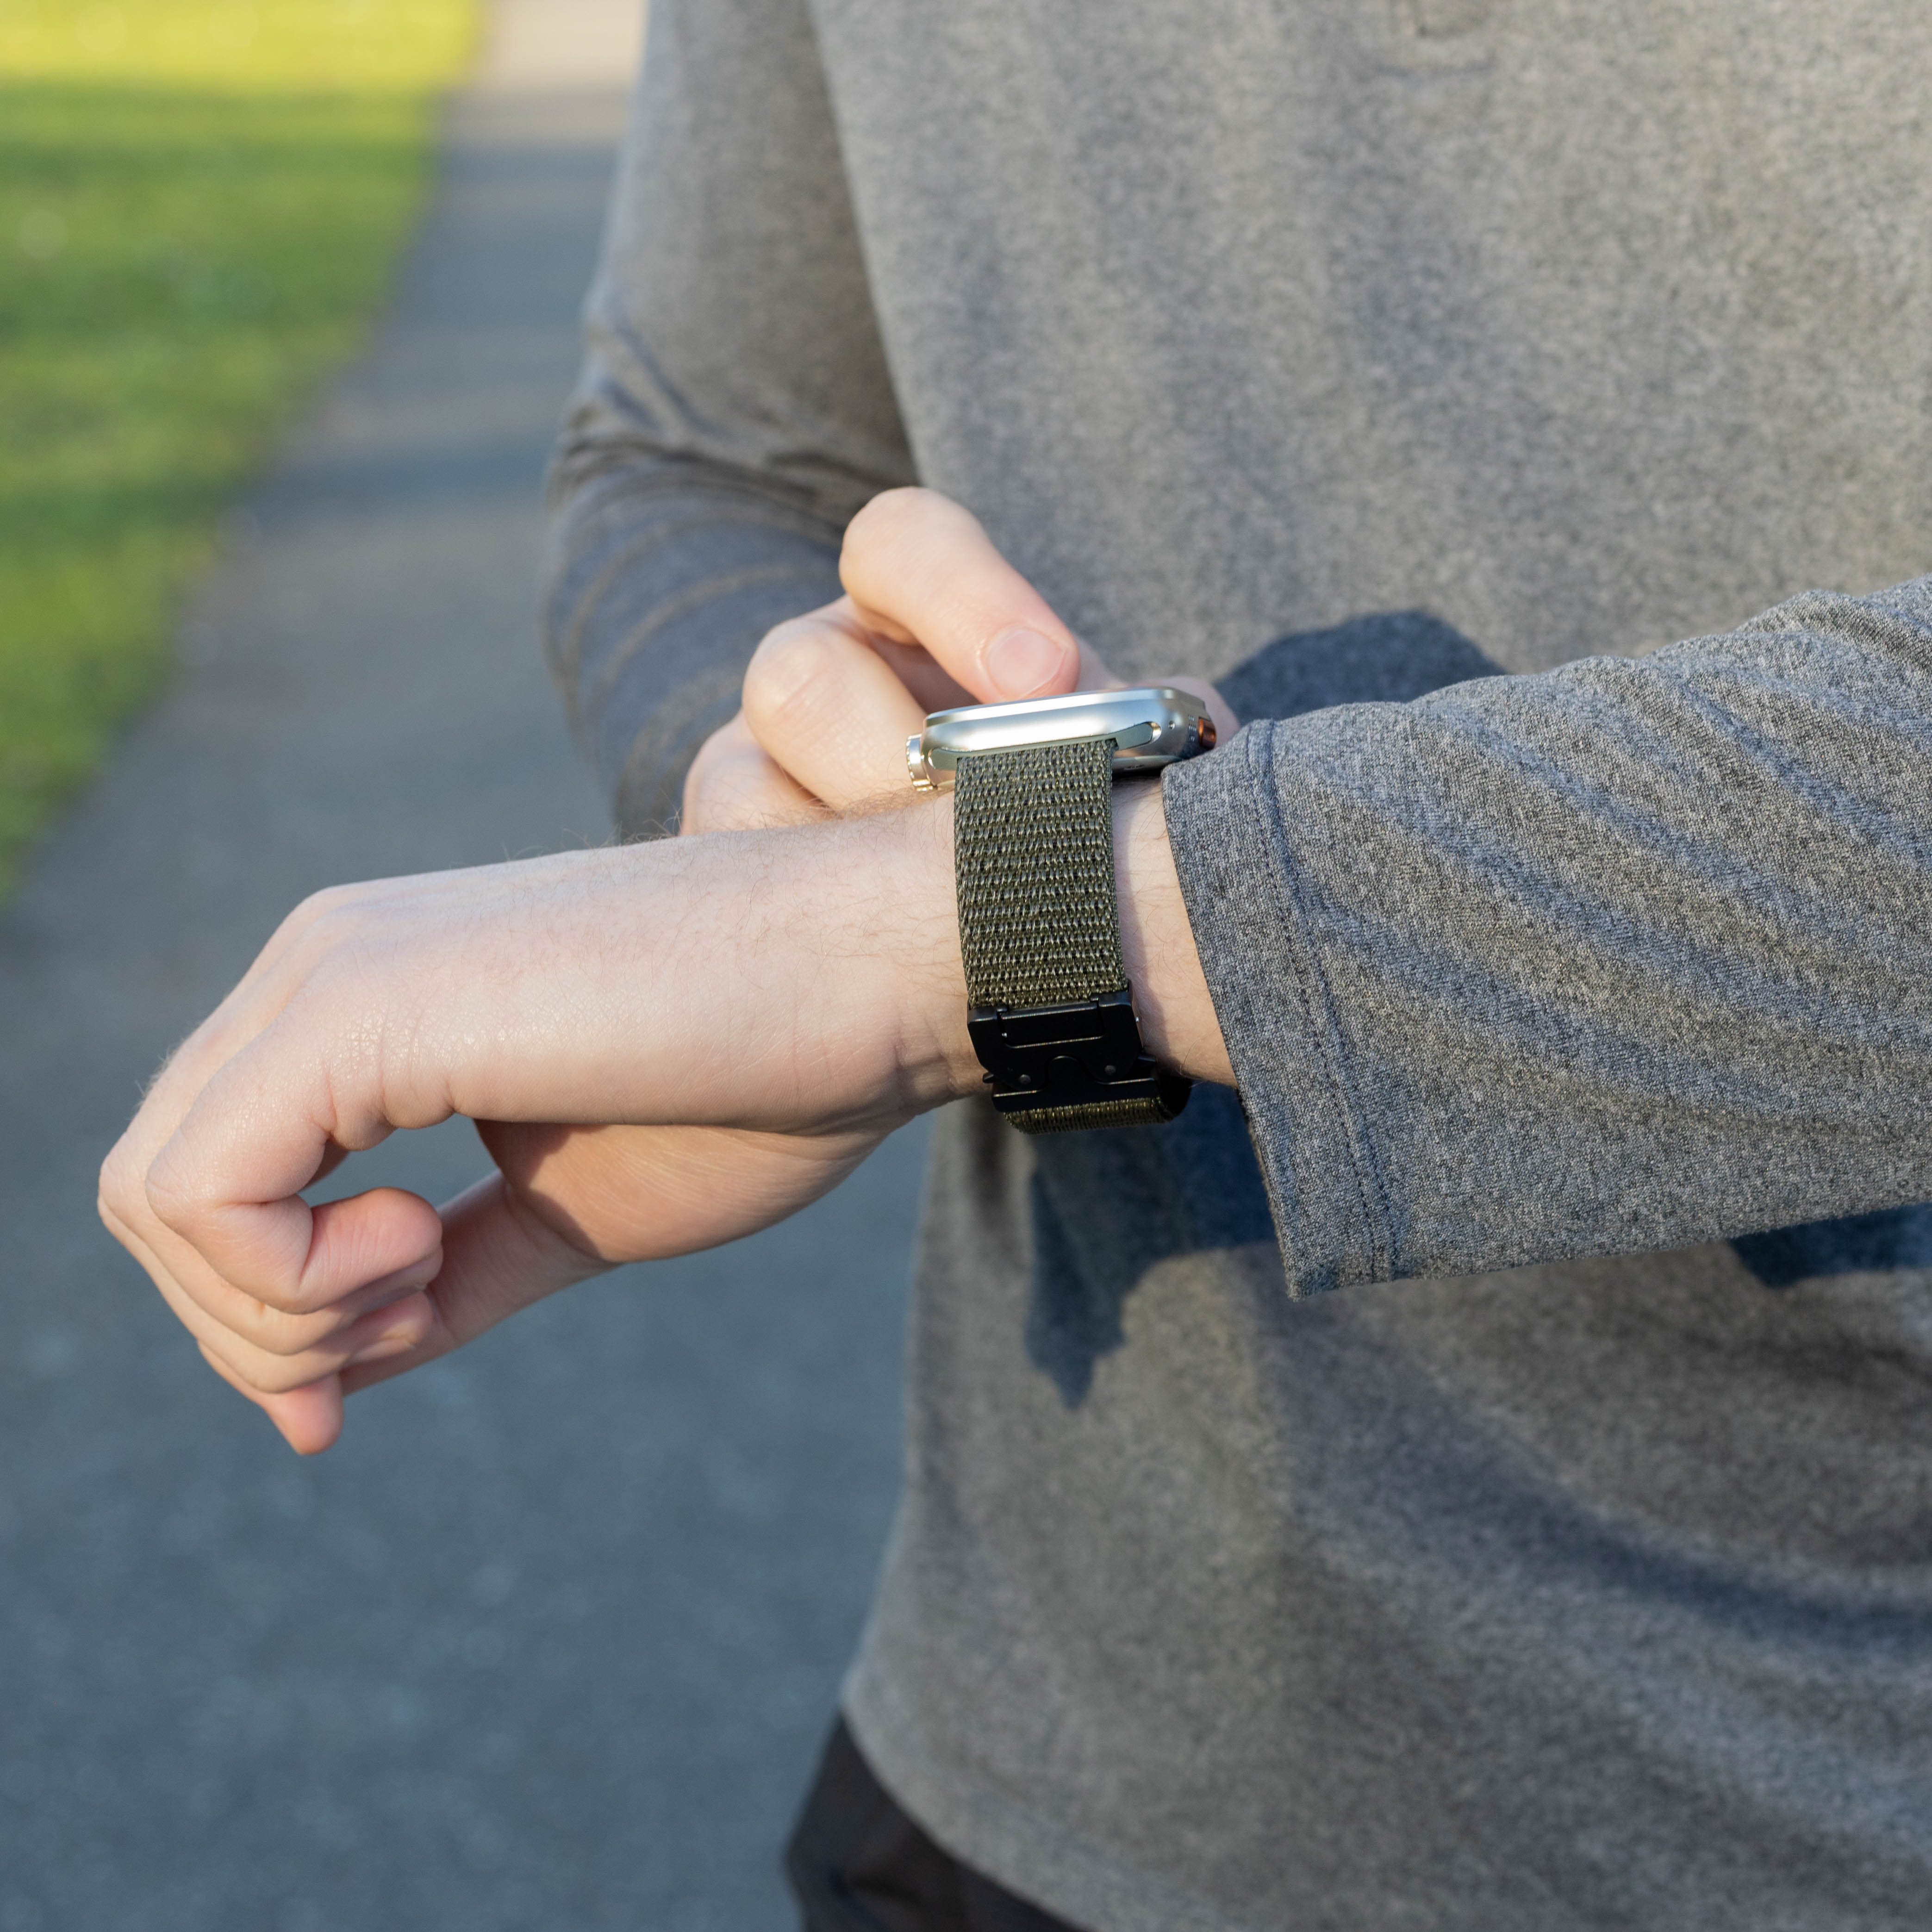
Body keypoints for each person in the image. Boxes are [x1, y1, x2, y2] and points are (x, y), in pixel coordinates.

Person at [101, 0, 1932, 1925]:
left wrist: (967, 933)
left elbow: (952, 927)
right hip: (1047, 1758)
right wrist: (773, 811)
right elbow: (702, 451)